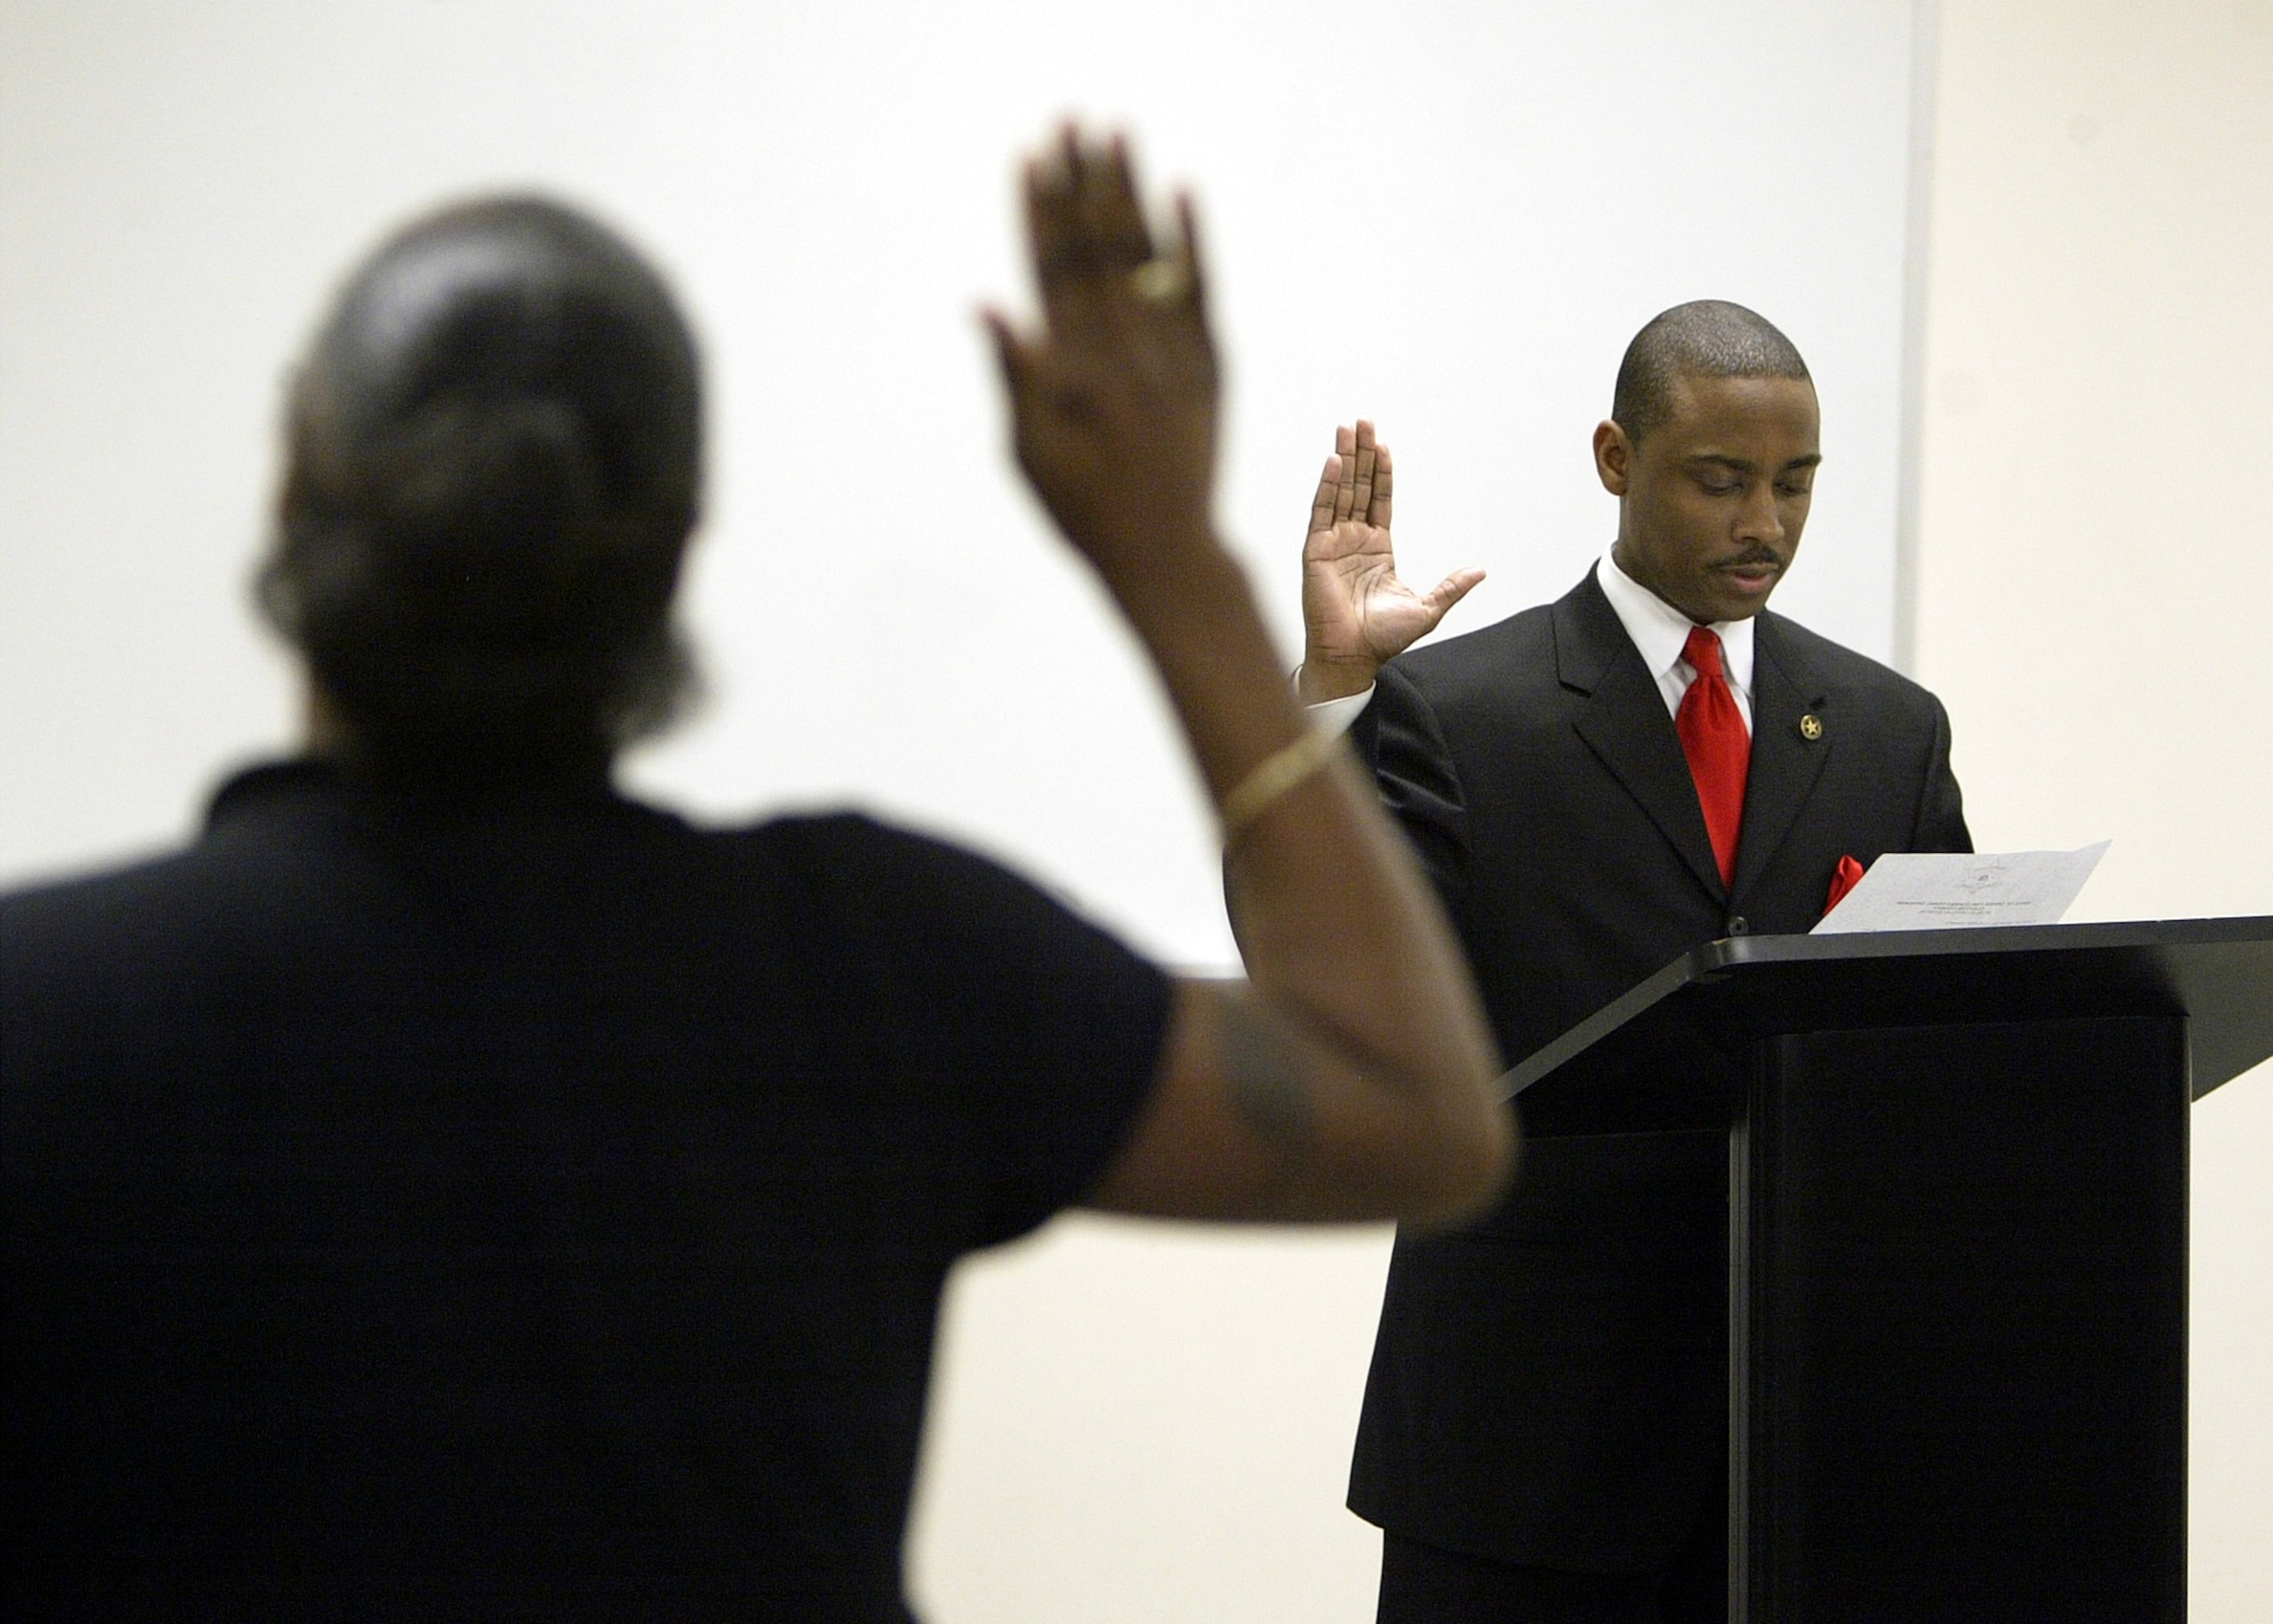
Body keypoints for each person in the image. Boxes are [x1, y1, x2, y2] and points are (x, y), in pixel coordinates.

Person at [0, 130, 1512, 1622]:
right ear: (673, 559)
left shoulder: (46, 1006)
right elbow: (1420, 1110)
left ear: (290, 505)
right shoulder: (865, 963)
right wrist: (1173, 559)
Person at [1289, 302, 1972, 1622]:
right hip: (1522, 1453)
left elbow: (1942, 1037)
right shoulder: (1457, 708)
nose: (1763, 524)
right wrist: (1338, 689)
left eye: (1795, 484)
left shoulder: (1890, 732)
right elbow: (1328, 973)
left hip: (1804, 1442)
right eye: (1721, 480)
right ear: (1616, 457)